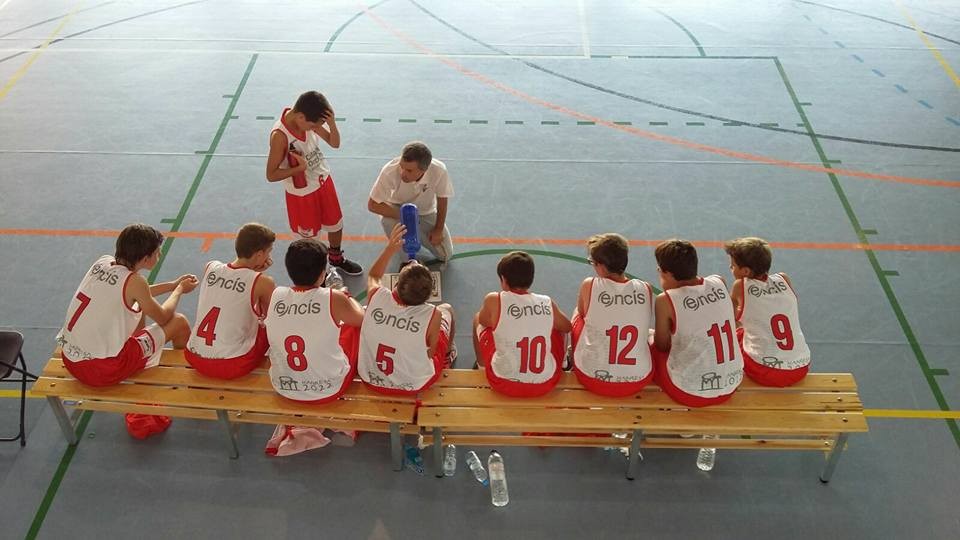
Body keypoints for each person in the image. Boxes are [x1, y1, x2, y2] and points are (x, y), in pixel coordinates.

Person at [56, 223, 197, 387]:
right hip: (102, 370)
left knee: (138, 307)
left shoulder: (103, 263)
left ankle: (142, 352)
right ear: (146, 258)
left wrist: (172, 284)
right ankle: (189, 382)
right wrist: (179, 290)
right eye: (158, 252)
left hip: (71, 359)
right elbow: (164, 317)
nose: (161, 254)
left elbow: (133, 295)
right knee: (179, 322)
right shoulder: (135, 282)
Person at [265, 90, 362, 280]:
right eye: (314, 125)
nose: (315, 129)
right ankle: (319, 274)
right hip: (302, 194)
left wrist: (332, 124)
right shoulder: (280, 136)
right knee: (310, 241)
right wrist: (298, 168)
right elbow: (271, 174)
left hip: (323, 181)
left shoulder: (308, 119)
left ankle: (335, 258)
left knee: (335, 224)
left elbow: (334, 143)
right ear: (301, 117)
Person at [358, 224, 456, 396]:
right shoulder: (433, 314)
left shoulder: (378, 296)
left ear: (396, 284)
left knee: (364, 313)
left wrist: (390, 249)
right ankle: (448, 355)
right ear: (428, 296)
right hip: (414, 385)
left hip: (371, 379)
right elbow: (430, 353)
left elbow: (374, 276)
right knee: (448, 309)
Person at [264, 238, 365, 403]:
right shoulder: (333, 297)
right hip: (328, 389)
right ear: (322, 274)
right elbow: (361, 319)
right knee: (353, 327)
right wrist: (345, 293)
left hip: (283, 387)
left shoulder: (277, 294)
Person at [652, 240, 743, 407]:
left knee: (648, 348)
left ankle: (665, 410)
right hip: (731, 384)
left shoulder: (666, 300)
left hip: (690, 393)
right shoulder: (719, 282)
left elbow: (662, 346)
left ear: (667, 273)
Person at [184, 223, 276, 379]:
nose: (269, 257)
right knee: (270, 324)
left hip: (194, 356)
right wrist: (256, 275)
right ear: (259, 255)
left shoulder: (210, 267)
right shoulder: (263, 282)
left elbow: (235, 281)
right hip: (232, 364)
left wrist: (252, 272)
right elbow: (271, 318)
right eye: (268, 252)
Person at [474, 251, 572, 397]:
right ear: (531, 279)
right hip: (544, 383)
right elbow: (567, 327)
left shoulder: (494, 300)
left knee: (477, 319)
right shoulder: (546, 302)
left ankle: (481, 366)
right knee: (558, 328)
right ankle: (564, 363)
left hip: (502, 382)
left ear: (503, 280)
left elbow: (483, 321)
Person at [570, 233, 655, 396]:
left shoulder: (590, 284)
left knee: (579, 316)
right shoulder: (646, 288)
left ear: (601, 266)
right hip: (637, 380)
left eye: (593, 263)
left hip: (592, 378)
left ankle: (571, 358)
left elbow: (582, 313)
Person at [724, 237, 810, 386]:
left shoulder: (740, 286)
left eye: (732, 266)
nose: (730, 269)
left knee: (732, 337)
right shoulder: (784, 279)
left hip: (765, 371)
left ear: (745, 271)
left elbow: (730, 320)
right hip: (800, 367)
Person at [367, 141, 454, 269]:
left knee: (445, 255)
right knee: (388, 223)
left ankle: (414, 236)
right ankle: (407, 257)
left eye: (409, 170)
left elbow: (442, 199)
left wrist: (438, 229)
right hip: (396, 209)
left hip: (425, 212)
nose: (402, 173)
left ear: (423, 170)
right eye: (402, 166)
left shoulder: (439, 170)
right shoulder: (389, 171)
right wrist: (407, 217)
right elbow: (373, 205)